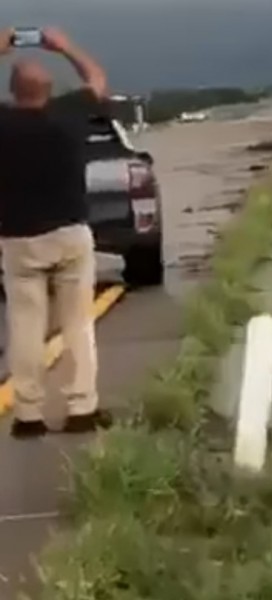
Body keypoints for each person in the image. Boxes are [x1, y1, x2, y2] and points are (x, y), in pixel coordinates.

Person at [0, 27, 112, 438]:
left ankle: (28, 415)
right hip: (69, 233)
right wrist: (64, 46)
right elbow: (97, 79)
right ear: (48, 91)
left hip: (18, 238)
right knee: (77, 324)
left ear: (13, 91)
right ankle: (82, 407)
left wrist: (1, 46)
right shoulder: (68, 113)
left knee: (25, 326)